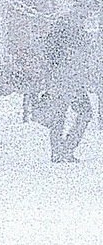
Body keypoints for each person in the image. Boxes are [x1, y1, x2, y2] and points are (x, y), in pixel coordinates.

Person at [39, 18, 93, 163]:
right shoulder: (70, 37)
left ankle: (59, 150)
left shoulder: (53, 39)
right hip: (70, 82)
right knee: (83, 113)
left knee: (60, 116)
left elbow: (49, 63)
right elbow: (78, 59)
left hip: (62, 82)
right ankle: (65, 148)